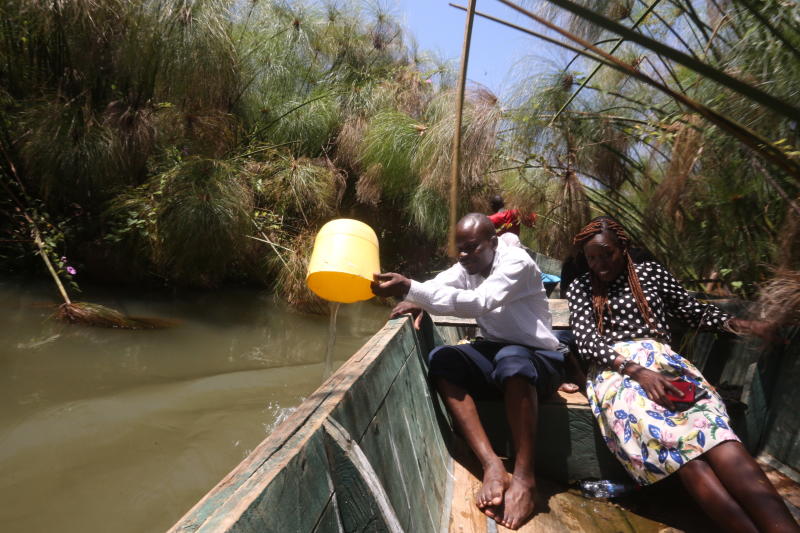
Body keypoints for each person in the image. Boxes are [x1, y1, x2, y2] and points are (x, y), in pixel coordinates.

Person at [565, 216, 799, 533]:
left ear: (624, 247)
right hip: (614, 371)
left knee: (716, 434)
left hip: (664, 363)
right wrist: (636, 371)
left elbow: (694, 311)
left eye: (606, 254)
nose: (599, 263)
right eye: (591, 257)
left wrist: (748, 326)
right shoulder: (581, 287)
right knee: (678, 448)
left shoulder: (651, 274)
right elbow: (587, 342)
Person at [371, 213, 566, 530]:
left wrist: (412, 289)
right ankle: (491, 464)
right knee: (443, 359)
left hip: (538, 356)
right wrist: (418, 296)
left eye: (471, 248)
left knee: (513, 360)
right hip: (499, 351)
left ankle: (525, 478)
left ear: (492, 243)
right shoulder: (469, 265)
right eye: (459, 249)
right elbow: (438, 285)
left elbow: (479, 303)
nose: (463, 256)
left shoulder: (516, 262)